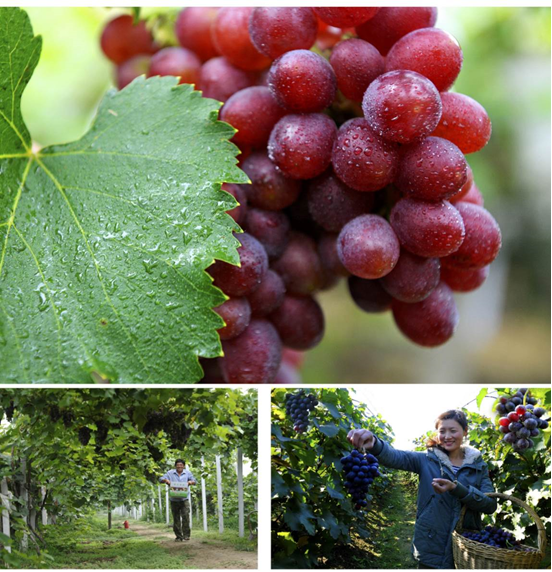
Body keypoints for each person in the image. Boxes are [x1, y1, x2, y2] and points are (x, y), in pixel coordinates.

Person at [348, 410, 496, 569]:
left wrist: (457, 489)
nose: (447, 436)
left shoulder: (479, 466)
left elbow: (490, 505)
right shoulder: (426, 459)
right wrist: (375, 444)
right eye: (442, 431)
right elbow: (396, 457)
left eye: (453, 430)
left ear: (465, 431)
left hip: (466, 548)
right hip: (430, 541)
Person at [159, 459, 196, 542]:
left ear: (183, 466)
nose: (179, 466)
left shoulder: (187, 473)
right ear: (175, 466)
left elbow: (194, 481)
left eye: (181, 465)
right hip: (174, 499)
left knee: (186, 516)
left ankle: (186, 535)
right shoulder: (170, 473)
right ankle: (179, 536)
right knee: (176, 518)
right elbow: (161, 479)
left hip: (184, 498)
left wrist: (190, 482)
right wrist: (166, 480)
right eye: (178, 465)